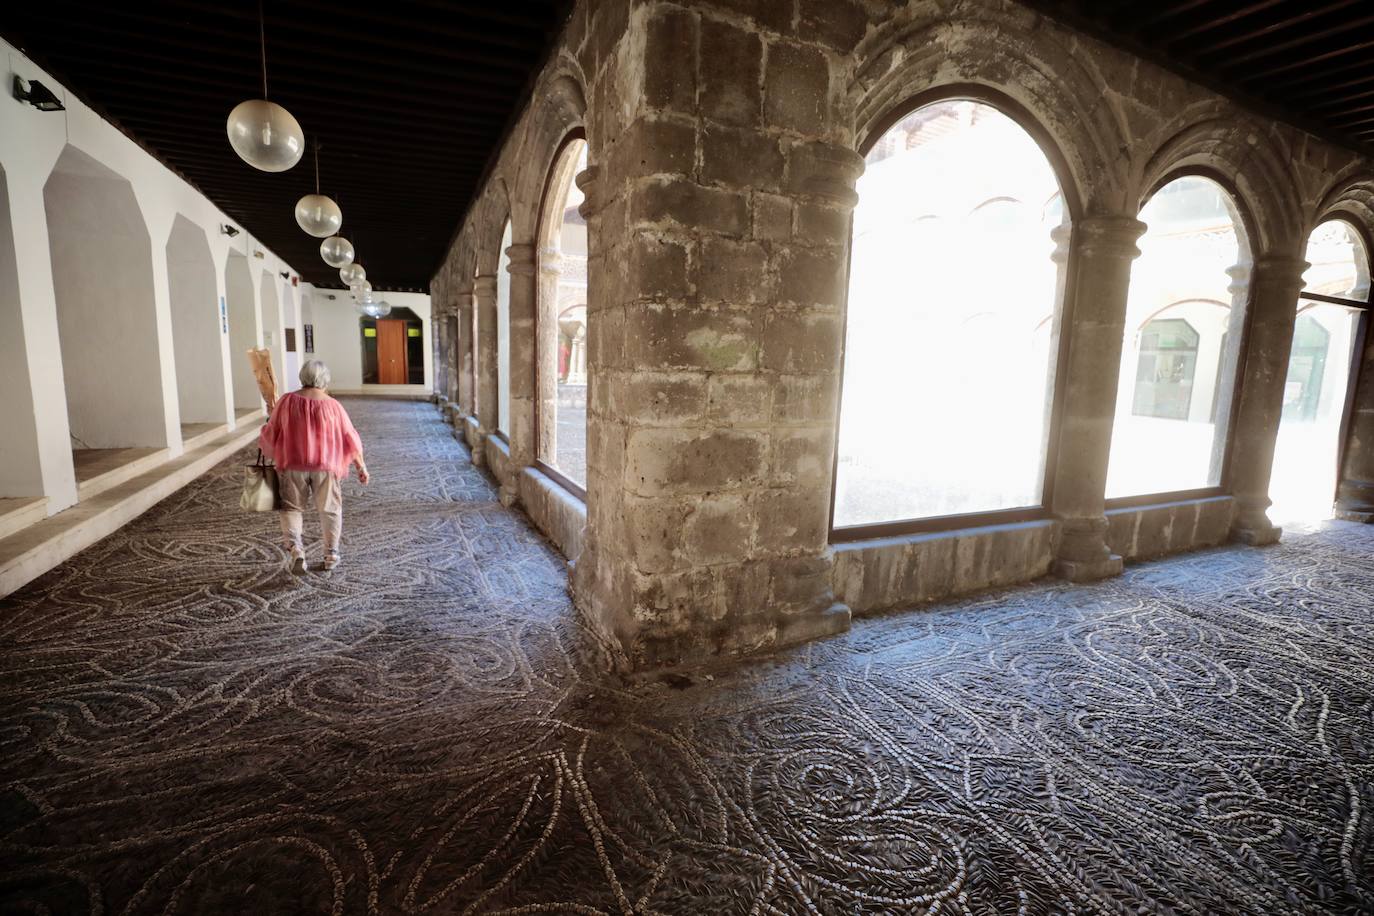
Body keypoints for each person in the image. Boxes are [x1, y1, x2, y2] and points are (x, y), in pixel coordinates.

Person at [258, 359, 368, 572]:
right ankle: (331, 554)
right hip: (326, 466)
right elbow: (349, 436)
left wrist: (272, 414)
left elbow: (271, 431)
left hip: (292, 463)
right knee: (330, 509)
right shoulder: (333, 405)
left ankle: (297, 550)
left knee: (291, 508)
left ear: (302, 377)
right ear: (325, 380)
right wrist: (361, 466)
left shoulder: (286, 401)